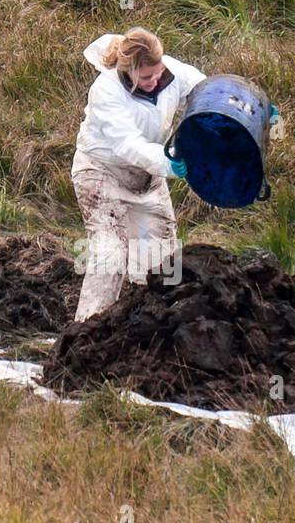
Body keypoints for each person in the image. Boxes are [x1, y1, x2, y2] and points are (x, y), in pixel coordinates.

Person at [71, 28, 206, 321]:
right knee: (110, 256)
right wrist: (169, 164)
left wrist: (244, 105)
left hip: (147, 181)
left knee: (160, 265)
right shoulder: (106, 90)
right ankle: (85, 335)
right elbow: (128, 144)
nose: (154, 81)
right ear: (128, 71)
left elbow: (205, 92)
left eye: (157, 73)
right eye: (145, 78)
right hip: (102, 174)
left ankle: (141, 338)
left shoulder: (172, 72)